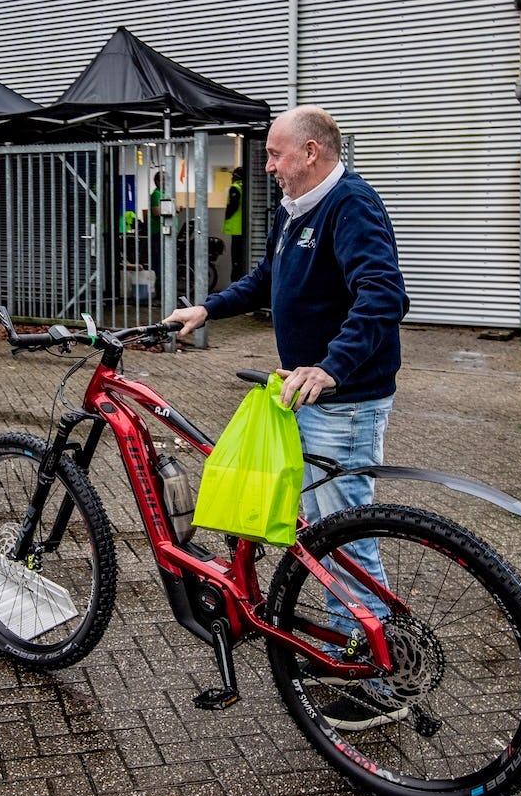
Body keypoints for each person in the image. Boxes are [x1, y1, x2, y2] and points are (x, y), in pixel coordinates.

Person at [165, 105, 409, 731]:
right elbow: (268, 279)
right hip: (306, 396)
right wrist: (209, 309)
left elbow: (384, 295)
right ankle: (337, 649)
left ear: (312, 153)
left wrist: (330, 367)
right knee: (320, 533)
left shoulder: (350, 204)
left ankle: (375, 675)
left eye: (275, 154)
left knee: (345, 541)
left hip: (342, 401)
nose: (267, 166)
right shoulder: (295, 211)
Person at [223, 166, 246, 280]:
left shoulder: (235, 187)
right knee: (242, 259)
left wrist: (227, 215)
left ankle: (235, 284)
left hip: (236, 229)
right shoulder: (245, 186)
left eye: (233, 175)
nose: (231, 177)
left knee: (236, 259)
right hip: (244, 229)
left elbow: (233, 206)